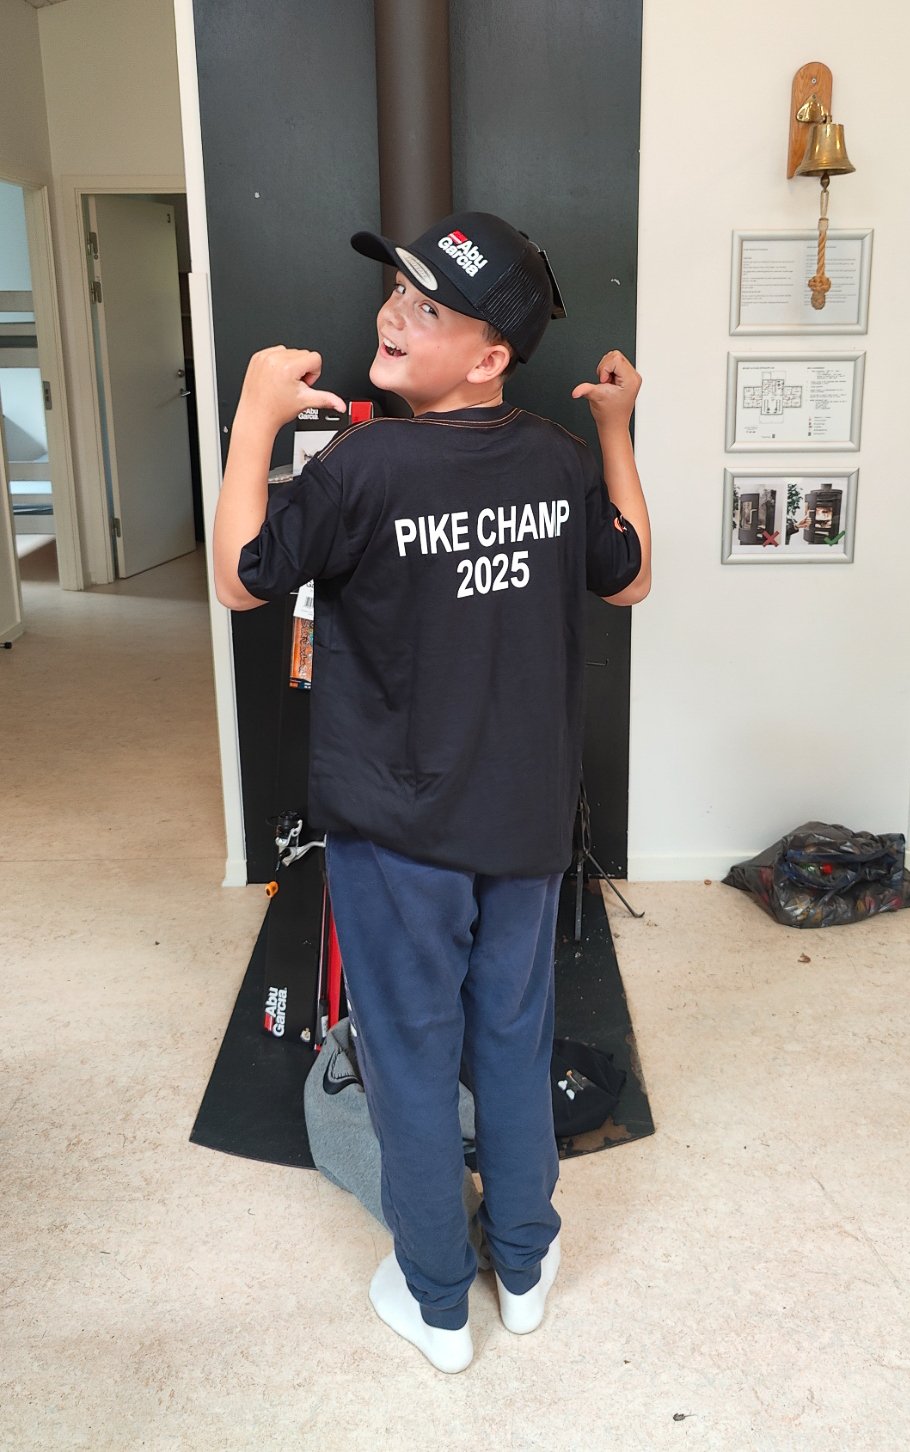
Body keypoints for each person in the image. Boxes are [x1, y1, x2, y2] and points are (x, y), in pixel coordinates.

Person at [213, 211, 652, 1375]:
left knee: (411, 1059)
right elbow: (629, 574)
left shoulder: (363, 467)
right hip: (523, 819)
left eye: (426, 310)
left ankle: (436, 1301)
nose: (392, 320)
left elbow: (242, 579)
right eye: (396, 296)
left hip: (399, 830)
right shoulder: (554, 458)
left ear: (490, 354)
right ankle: (524, 1266)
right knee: (508, 1037)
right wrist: (614, 431)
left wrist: (253, 417)